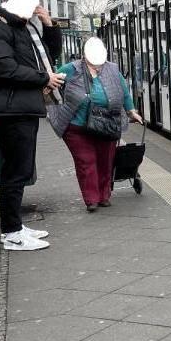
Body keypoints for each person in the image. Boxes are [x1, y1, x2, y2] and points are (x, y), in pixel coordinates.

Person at [0, 0, 64, 250]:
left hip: (21, 106)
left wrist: (49, 25)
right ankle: (12, 233)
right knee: (15, 171)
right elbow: (4, 68)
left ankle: (14, 226)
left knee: (19, 170)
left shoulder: (19, 30)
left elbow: (47, 56)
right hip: (12, 108)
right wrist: (43, 78)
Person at [52, 38, 142, 212]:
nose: (97, 66)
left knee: (105, 161)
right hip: (77, 126)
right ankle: (91, 199)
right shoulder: (71, 69)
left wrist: (131, 111)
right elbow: (52, 83)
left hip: (106, 124)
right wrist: (50, 102)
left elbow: (123, 91)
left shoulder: (112, 69)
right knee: (86, 161)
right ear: (85, 55)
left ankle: (104, 196)